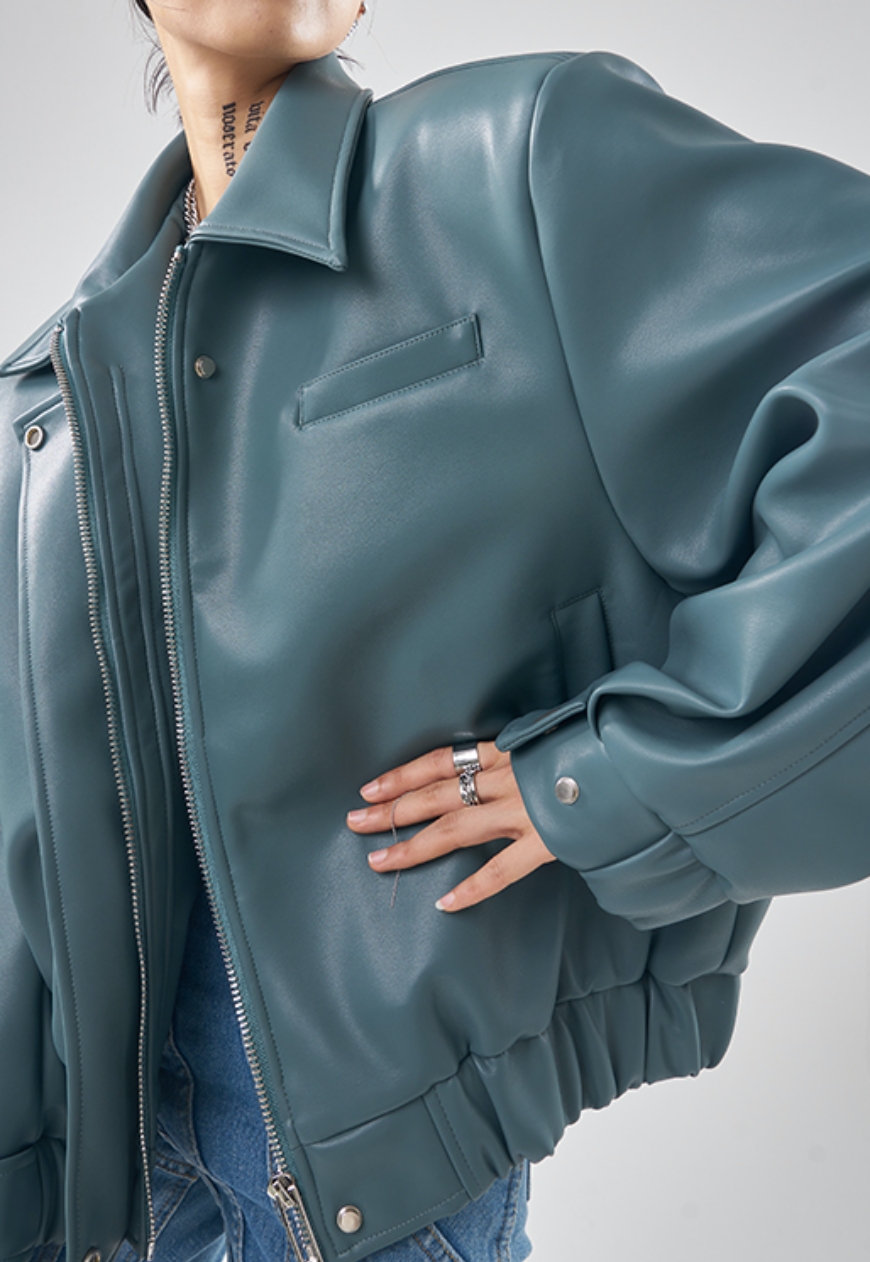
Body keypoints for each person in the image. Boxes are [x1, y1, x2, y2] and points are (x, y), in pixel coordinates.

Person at [2, 2, 870, 1260]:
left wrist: (609, 776)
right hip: (125, 1193)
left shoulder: (513, 158)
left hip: (380, 1185)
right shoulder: (54, 388)